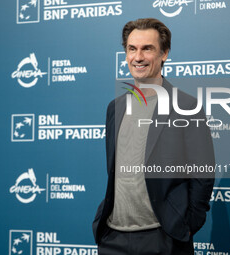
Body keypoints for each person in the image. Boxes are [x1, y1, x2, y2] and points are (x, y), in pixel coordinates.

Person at [92, 18, 215, 255]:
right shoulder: (114, 108)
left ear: (164, 53)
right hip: (113, 238)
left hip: (163, 238)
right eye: (132, 49)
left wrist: (188, 225)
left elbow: (203, 173)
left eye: (147, 48)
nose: (138, 57)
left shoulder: (186, 106)